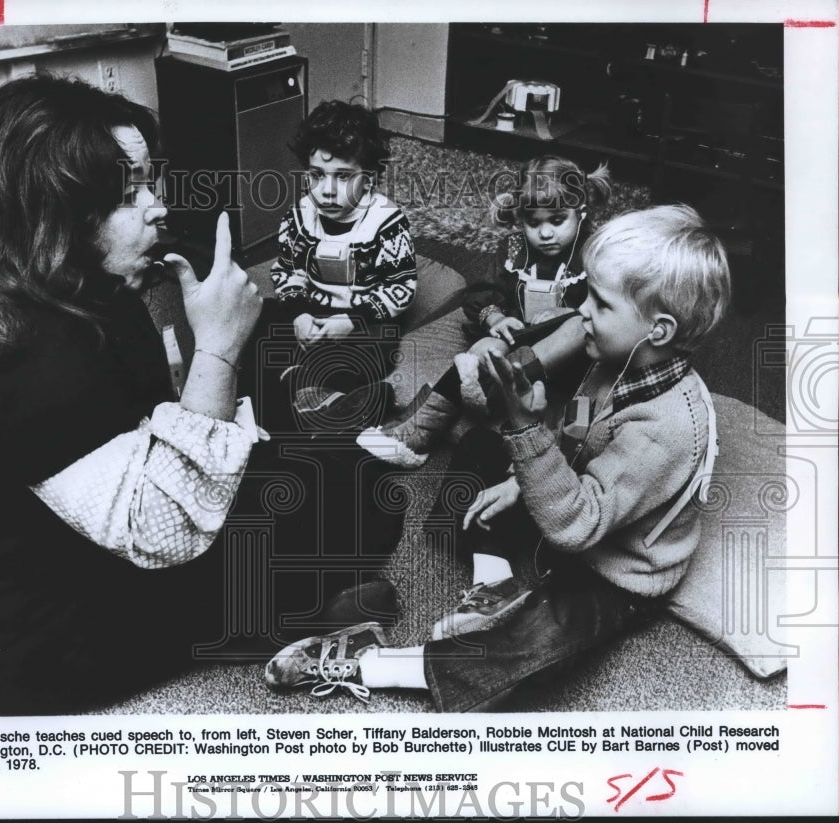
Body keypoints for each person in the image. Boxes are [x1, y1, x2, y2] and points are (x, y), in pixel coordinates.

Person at [0, 76, 403, 715]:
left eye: (150, 183)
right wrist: (216, 349)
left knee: (319, 470)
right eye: (131, 194)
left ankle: (279, 599)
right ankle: (275, 621)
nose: (157, 206)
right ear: (55, 207)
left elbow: (131, 427)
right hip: (7, 648)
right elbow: (167, 532)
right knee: (360, 492)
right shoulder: (24, 342)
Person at [265, 204, 731, 711]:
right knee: (478, 451)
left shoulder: (667, 427)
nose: (582, 314)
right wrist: (518, 476)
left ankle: (374, 664)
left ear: (657, 331)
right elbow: (574, 429)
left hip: (614, 567)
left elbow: (577, 526)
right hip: (571, 505)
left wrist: (525, 431)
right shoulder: (614, 359)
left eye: (600, 304)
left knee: (543, 642)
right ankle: (495, 585)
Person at [358, 155, 611, 467]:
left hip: (563, 354)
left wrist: (567, 314)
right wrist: (495, 316)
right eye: (534, 223)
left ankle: (491, 388)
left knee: (578, 327)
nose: (545, 233)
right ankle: (419, 433)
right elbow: (482, 291)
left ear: (581, 212)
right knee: (485, 349)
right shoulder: (514, 249)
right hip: (518, 339)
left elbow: (609, 304)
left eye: (557, 221)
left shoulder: (595, 252)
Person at [239, 99, 417, 434]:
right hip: (312, 311)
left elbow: (401, 287)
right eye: (317, 175)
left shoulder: (386, 221)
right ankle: (257, 402)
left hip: (361, 319)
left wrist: (351, 321)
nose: (327, 190)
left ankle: (328, 396)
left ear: (369, 179)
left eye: (344, 177)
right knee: (259, 320)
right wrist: (298, 315)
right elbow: (287, 271)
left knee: (378, 345)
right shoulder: (300, 214)